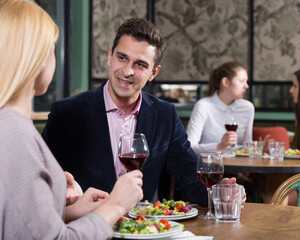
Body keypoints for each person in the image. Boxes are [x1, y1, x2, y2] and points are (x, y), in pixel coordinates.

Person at [42, 18, 238, 206]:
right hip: (88, 227)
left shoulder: (165, 115)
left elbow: (188, 175)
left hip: (146, 229)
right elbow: (46, 182)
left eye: (140, 65)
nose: (127, 71)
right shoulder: (67, 113)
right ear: (110, 56)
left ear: (154, 72)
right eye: (122, 58)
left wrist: (221, 193)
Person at [0, 0, 143, 239]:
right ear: (36, 58)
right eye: (52, 49)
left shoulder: (10, 126)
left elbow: (19, 221)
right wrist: (116, 205)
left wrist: (69, 209)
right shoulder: (15, 135)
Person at [186, 61, 254, 154]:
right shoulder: (203, 106)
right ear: (225, 82)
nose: (246, 86)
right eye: (242, 81)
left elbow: (247, 145)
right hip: (210, 166)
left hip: (239, 166)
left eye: (246, 81)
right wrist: (219, 146)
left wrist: (257, 148)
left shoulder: (247, 107)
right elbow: (189, 147)